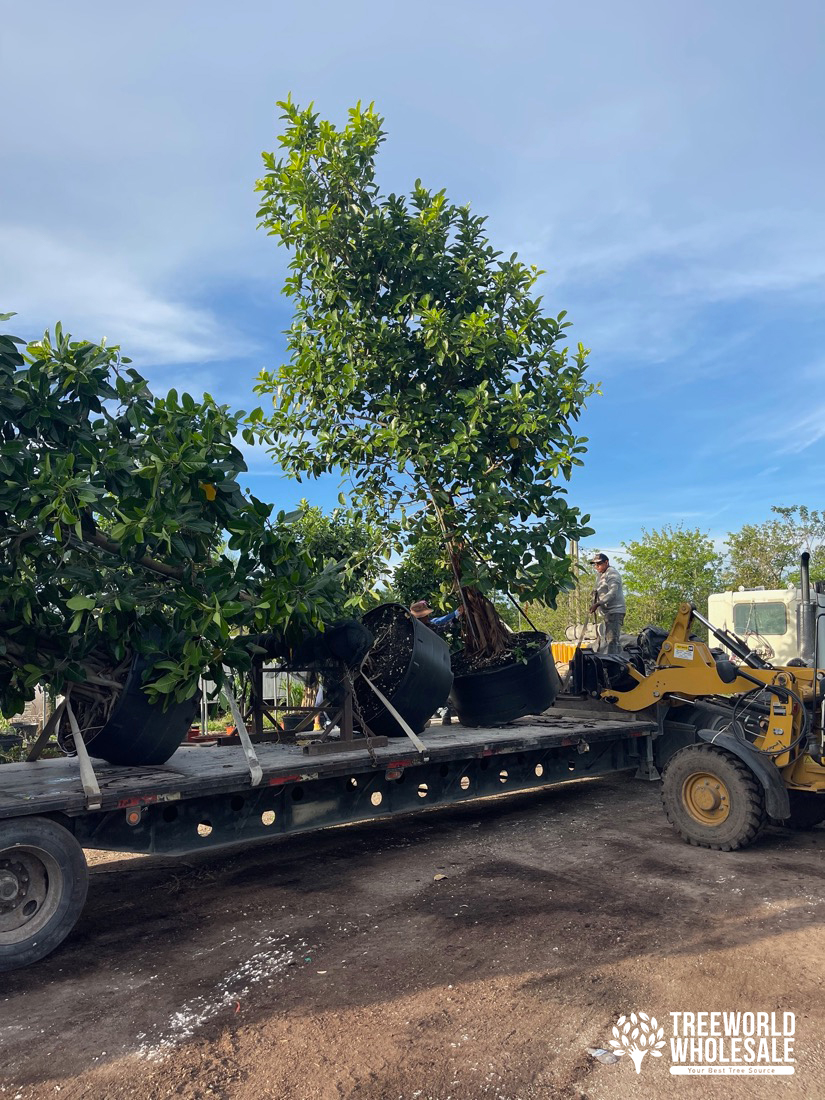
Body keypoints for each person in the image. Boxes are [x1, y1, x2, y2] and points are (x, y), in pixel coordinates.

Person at [589, 553, 626, 656]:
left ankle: (612, 665)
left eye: (599, 564)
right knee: (609, 639)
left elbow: (612, 593)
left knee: (611, 640)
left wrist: (598, 603)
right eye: (595, 565)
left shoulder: (612, 574)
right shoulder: (601, 575)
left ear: (606, 562)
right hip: (607, 613)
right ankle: (616, 661)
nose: (596, 567)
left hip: (615, 611)